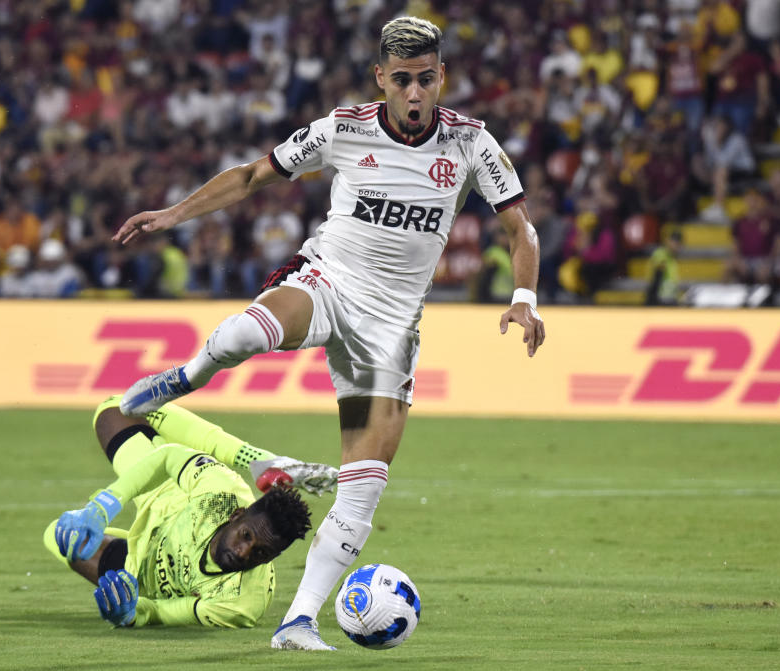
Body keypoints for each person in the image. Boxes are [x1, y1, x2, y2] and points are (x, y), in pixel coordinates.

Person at [111, 16, 545, 650]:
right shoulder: (342, 129)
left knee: (363, 484)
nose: (417, 94)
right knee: (239, 338)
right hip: (328, 282)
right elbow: (253, 175)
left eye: (427, 79)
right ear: (382, 79)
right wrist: (174, 214)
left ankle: (298, 623)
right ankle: (185, 377)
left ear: (442, 76)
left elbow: (520, 229)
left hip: (390, 329)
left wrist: (525, 298)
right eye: (403, 81)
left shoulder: (472, 145)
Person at [44, 396, 337, 628]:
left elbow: (160, 612)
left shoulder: (241, 603)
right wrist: (102, 507)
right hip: (161, 492)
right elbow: (169, 457)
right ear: (236, 515)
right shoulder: (222, 493)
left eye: (261, 554)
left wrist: (132, 614)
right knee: (115, 408)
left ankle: (115, 559)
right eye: (245, 535)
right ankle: (259, 459)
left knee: (63, 539)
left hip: (141, 576)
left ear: (273, 559)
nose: (244, 552)